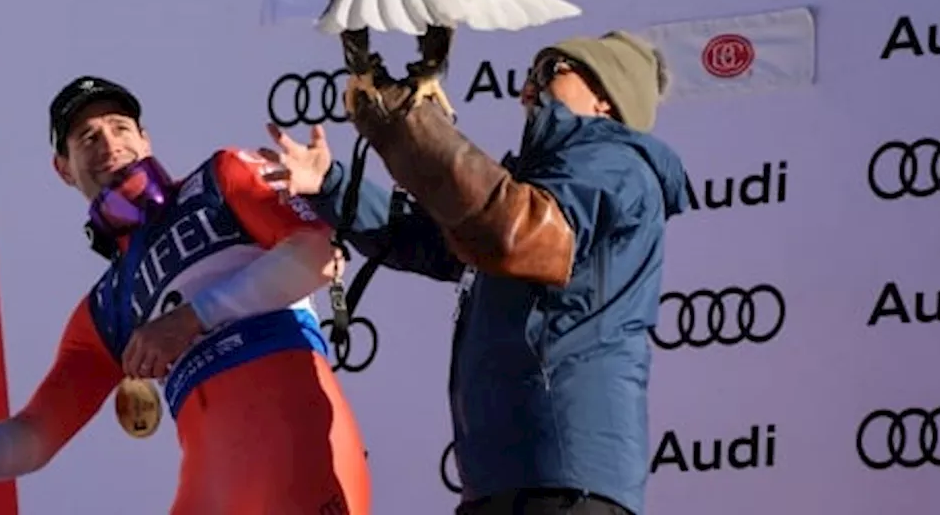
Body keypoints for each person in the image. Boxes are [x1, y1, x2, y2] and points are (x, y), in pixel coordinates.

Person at [0, 76, 372, 515]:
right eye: (87, 137)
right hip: (211, 488)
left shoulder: (220, 178)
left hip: (298, 449)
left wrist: (193, 318)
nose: (108, 143)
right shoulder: (104, 308)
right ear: (63, 169)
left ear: (146, 139)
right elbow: (35, 437)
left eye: (120, 127)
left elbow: (318, 256)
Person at [260, 31, 690, 515]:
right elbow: (431, 239)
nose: (529, 87)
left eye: (551, 71)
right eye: (530, 73)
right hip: (507, 477)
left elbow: (513, 231)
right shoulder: (538, 184)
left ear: (607, 98)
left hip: (564, 478)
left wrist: (410, 126)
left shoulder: (613, 161)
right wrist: (331, 186)